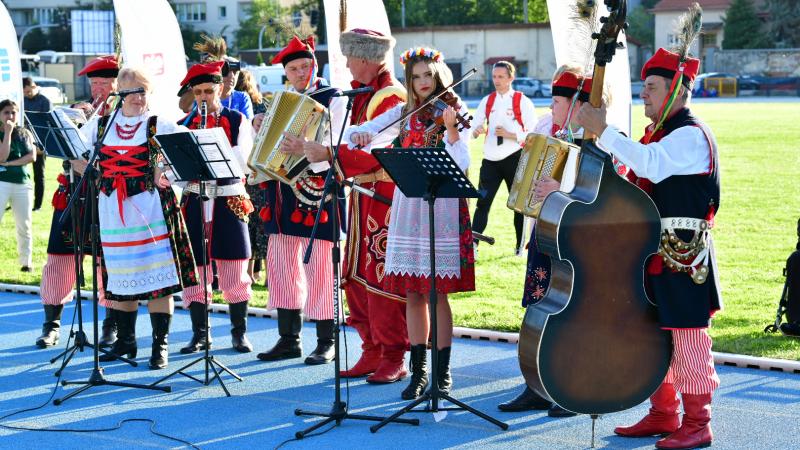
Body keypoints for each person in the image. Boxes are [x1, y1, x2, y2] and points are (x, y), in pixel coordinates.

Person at [576, 47, 721, 450]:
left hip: (683, 255)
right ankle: (663, 412)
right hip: (654, 253)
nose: (645, 95)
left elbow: (652, 164)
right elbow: (637, 168)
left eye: (653, 88)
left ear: (678, 89)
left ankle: (698, 421)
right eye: (645, 87)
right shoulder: (663, 136)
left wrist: (604, 131)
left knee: (688, 336)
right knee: (655, 336)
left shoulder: (691, 135)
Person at [341, 47, 475, 399]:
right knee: (414, 292)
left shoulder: (453, 112)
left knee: (437, 293)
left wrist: (453, 132)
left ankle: (442, 375)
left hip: (442, 209)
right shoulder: (403, 113)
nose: (423, 82)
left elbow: (462, 165)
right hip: (409, 206)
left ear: (438, 75)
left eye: (428, 75)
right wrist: (358, 134)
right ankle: (418, 373)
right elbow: (365, 131)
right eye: (416, 77)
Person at [305, 28, 410, 384]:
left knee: (380, 280)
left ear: (365, 59)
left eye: (350, 58)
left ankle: (394, 355)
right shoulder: (362, 95)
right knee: (355, 278)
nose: (347, 64)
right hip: (362, 197)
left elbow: (373, 155)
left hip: (384, 199)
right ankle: (372, 350)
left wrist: (328, 152)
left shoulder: (391, 97)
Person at [78, 67, 198, 369]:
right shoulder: (102, 125)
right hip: (113, 213)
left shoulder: (160, 125)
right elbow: (74, 154)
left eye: (143, 91)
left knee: (160, 280)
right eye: (132, 92)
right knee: (120, 278)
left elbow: (190, 158)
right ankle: (126, 341)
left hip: (152, 210)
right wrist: (96, 173)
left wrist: (167, 173)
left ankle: (160, 345)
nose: (139, 98)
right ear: (120, 94)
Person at [497, 65, 592, 418]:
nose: (550, 107)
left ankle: (570, 385)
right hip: (544, 231)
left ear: (577, 104)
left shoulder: (597, 138)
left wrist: (561, 189)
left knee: (569, 311)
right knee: (537, 305)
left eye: (556, 101)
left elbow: (599, 190)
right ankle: (536, 385)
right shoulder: (545, 129)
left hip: (574, 238)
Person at [253, 36, 344, 365]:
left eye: (306, 66)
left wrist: (303, 147)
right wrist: (258, 126)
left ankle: (325, 339)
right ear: (286, 73)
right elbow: (266, 147)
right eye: (294, 69)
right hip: (281, 194)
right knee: (280, 265)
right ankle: (288, 338)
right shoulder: (282, 100)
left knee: (319, 265)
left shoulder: (333, 97)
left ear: (315, 65)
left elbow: (333, 144)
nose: (301, 72)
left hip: (318, 193)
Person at [35, 55, 119, 349]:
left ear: (116, 84)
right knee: (58, 258)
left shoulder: (123, 118)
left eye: (104, 83)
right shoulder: (80, 111)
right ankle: (52, 324)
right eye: (94, 83)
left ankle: (111, 324)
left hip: (107, 198)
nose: (98, 90)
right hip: (74, 194)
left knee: (106, 263)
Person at [177, 61, 255, 354]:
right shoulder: (184, 124)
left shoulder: (236, 120)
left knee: (234, 267)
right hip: (196, 198)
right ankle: (200, 334)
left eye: (209, 90)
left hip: (227, 198)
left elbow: (244, 162)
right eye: (198, 92)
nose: (203, 97)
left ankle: (239, 333)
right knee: (196, 269)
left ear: (220, 89)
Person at [470, 61, 537, 254]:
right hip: (490, 160)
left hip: (514, 157)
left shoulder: (522, 101)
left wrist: (511, 134)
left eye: (501, 77)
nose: (496, 81)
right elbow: (474, 127)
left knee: (517, 204)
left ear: (511, 78)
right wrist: (476, 131)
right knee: (482, 203)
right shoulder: (487, 100)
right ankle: (474, 245)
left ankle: (519, 247)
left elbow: (534, 132)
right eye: (494, 77)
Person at [235, 69, 268, 283]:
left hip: (248, 173)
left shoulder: (243, 108)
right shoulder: (262, 105)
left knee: (249, 224)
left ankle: (249, 273)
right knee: (262, 225)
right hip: (260, 172)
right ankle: (263, 275)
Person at [0, 100, 35, 273]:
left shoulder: (25, 133)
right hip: (2, 182)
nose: (10, 116)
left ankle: (26, 262)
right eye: (6, 112)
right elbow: (1, 157)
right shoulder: (2, 132)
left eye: (13, 112)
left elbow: (32, 156)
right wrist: (7, 133)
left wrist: (11, 163)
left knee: (24, 224)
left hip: (23, 183)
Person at [22, 76, 51, 211]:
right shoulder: (21, 101)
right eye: (26, 92)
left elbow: (48, 124)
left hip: (38, 143)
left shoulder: (44, 101)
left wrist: (42, 145)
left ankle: (37, 205)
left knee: (38, 175)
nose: (29, 93)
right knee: (18, 172)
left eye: (31, 90)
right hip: (22, 141)